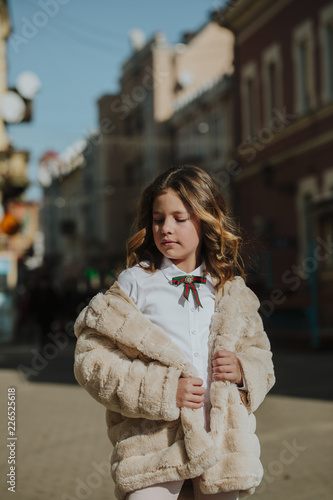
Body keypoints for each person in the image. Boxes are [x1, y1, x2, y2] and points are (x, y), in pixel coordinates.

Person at [73, 165, 275, 500]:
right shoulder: (135, 284)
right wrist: (165, 391)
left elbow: (261, 357)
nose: (166, 228)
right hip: (154, 444)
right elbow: (92, 361)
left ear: (205, 219)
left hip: (222, 446)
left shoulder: (230, 290)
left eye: (179, 218)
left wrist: (244, 370)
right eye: (157, 219)